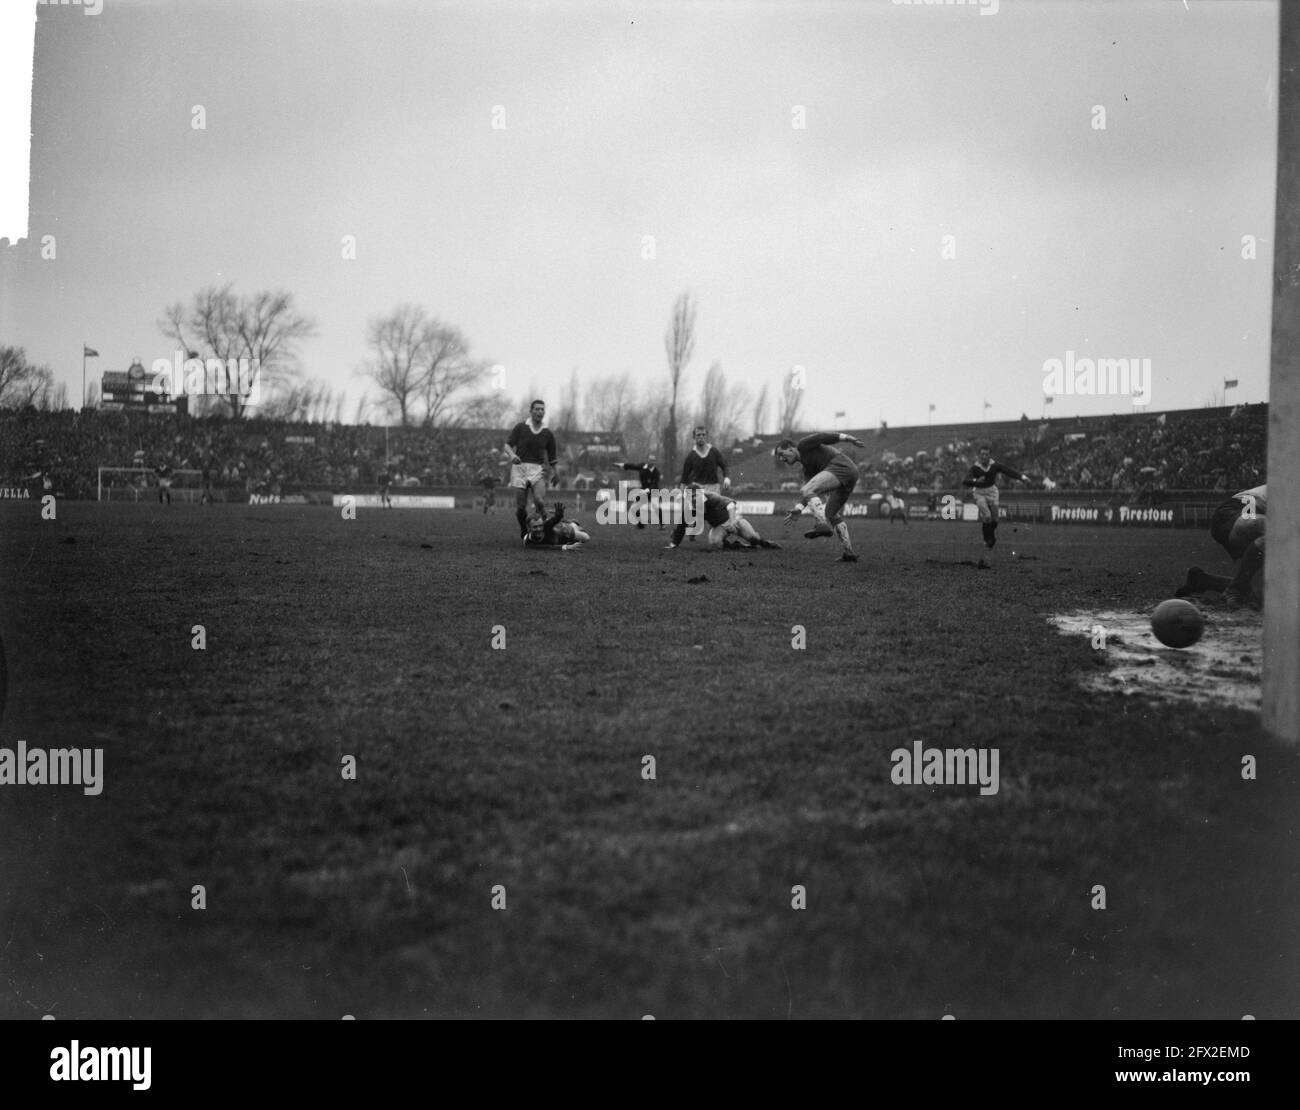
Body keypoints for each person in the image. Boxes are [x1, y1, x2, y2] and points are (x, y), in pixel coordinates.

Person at [774, 432, 865, 562]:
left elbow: (822, 437)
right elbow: (809, 491)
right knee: (831, 513)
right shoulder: (807, 469)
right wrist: (799, 509)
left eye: (781, 454)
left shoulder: (803, 445)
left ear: (791, 448)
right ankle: (849, 553)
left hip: (840, 466)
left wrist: (846, 438)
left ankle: (821, 524)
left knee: (807, 489)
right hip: (850, 473)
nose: (782, 459)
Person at [1176, 484, 1265, 606]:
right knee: (1275, 530)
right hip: (1236, 512)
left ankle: (1201, 581)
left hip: (1251, 527)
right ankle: (1235, 589)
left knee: (1257, 592)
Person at [960, 445, 1034, 568]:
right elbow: (965, 481)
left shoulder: (994, 466)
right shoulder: (975, 468)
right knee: (987, 517)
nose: (984, 456)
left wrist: (1022, 477)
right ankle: (987, 539)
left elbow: (1008, 471)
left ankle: (991, 538)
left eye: (986, 454)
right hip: (979, 493)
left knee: (995, 520)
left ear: (989, 455)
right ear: (979, 455)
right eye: (982, 454)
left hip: (993, 492)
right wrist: (976, 482)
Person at [665, 487, 780, 551]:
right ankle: (739, 546)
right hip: (719, 526)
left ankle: (765, 543)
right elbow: (682, 525)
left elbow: (730, 504)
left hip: (734, 520)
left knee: (753, 538)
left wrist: (732, 521)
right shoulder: (691, 508)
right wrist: (674, 543)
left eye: (694, 498)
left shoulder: (712, 497)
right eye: (690, 499)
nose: (693, 501)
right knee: (715, 544)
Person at [505, 400, 559, 538]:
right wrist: (512, 456)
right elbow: (507, 446)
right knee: (521, 508)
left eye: (542, 409)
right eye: (537, 409)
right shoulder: (521, 428)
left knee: (539, 500)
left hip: (537, 470)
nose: (540, 412)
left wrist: (556, 472)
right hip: (519, 468)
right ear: (531, 411)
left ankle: (546, 528)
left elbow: (552, 457)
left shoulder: (548, 433)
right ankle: (524, 530)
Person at [616, 453, 663, 529]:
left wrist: (648, 490)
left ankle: (663, 525)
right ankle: (640, 525)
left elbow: (654, 483)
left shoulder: (656, 472)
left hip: (654, 491)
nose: (651, 461)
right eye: (650, 459)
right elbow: (633, 466)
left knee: (655, 506)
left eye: (653, 460)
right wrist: (622, 465)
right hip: (644, 491)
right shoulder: (642, 466)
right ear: (647, 460)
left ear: (655, 462)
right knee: (634, 508)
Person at [523, 502, 589, 550]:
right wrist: (567, 547)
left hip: (565, 532)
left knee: (586, 538)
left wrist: (558, 516)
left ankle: (573, 523)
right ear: (529, 528)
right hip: (560, 540)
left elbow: (554, 520)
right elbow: (545, 547)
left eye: (540, 525)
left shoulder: (546, 525)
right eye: (535, 527)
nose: (539, 529)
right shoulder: (528, 542)